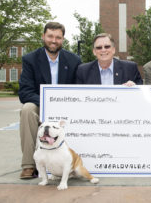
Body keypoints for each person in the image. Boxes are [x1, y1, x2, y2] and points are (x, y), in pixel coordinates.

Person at [18, 22, 81, 179]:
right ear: (43, 36)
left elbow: (78, 89)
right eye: (50, 36)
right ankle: (29, 165)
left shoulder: (74, 60)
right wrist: (48, 102)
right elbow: (25, 92)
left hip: (67, 105)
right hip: (40, 104)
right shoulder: (30, 59)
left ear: (63, 39)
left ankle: (75, 161)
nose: (54, 40)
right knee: (27, 109)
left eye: (58, 37)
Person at [76, 33, 142, 85]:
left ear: (113, 49)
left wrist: (134, 87)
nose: (103, 50)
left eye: (107, 46)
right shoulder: (83, 71)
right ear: (94, 52)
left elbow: (141, 92)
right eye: (99, 47)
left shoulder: (130, 68)